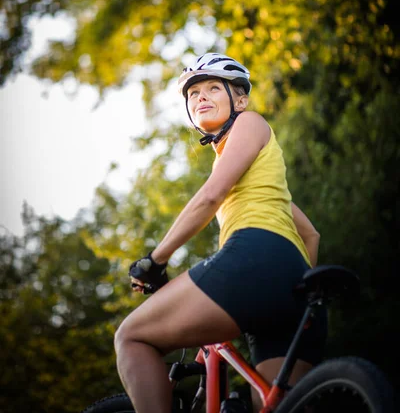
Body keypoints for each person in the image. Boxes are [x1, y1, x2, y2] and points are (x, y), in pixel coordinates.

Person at [114, 52, 327, 413]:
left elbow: (210, 196)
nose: (202, 97)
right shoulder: (263, 177)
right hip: (295, 287)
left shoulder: (250, 123)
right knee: (272, 405)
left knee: (131, 337)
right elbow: (312, 236)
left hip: (255, 257)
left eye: (214, 88)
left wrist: (155, 260)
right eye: (194, 94)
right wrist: (296, 285)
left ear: (240, 100)